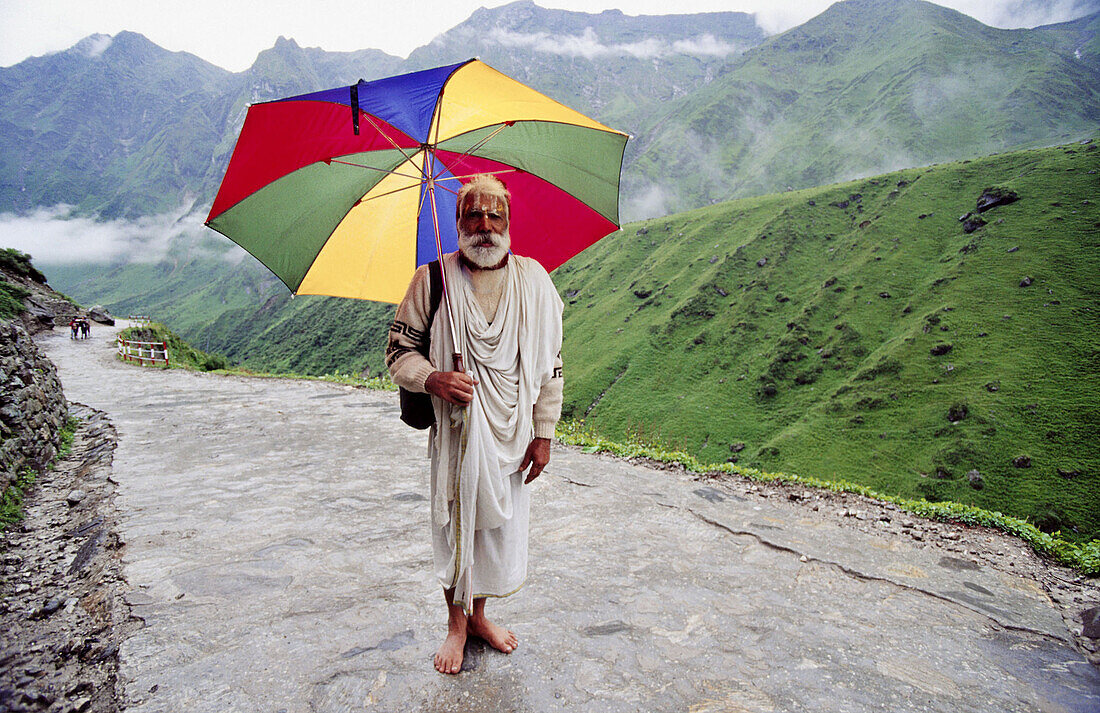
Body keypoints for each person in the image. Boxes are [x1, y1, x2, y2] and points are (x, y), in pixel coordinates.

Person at [386, 174, 564, 675]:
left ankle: (481, 616)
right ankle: (455, 625)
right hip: (458, 436)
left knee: (498, 529)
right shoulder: (433, 280)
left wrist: (544, 432)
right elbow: (398, 352)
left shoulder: (534, 282)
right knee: (454, 526)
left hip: (512, 434)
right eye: (473, 215)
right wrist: (433, 378)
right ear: (458, 222)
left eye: (494, 216)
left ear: (508, 222)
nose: (484, 226)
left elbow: (551, 364)